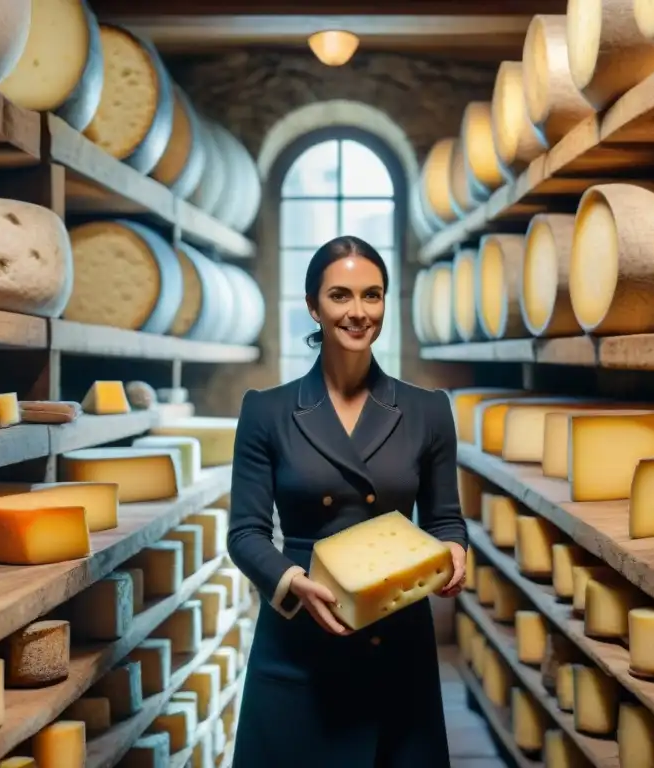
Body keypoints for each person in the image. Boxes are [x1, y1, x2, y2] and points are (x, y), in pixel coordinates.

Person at [227, 235, 469, 768]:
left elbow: (446, 518)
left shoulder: (428, 410)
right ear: (313, 306)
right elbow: (244, 532)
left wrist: (455, 551)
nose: (358, 312)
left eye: (372, 295)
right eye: (340, 296)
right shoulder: (266, 411)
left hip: (396, 637)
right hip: (299, 641)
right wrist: (292, 583)